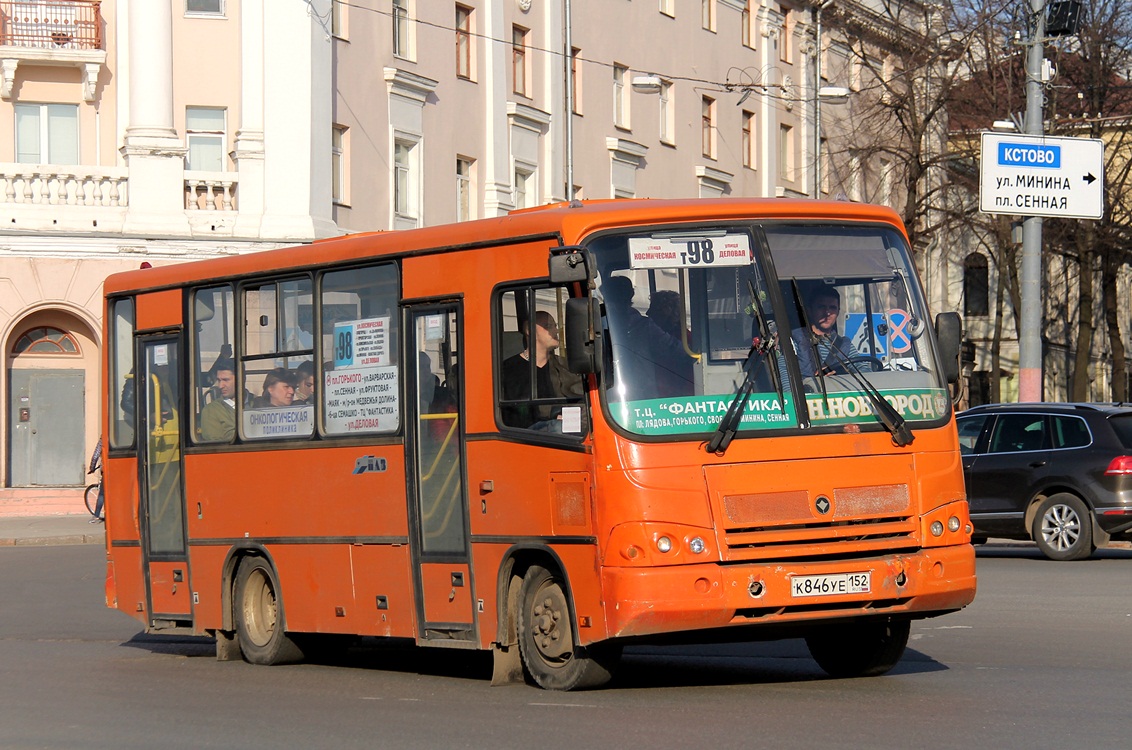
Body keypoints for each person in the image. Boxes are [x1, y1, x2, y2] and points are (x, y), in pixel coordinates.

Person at [603, 276, 694, 399]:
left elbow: (680, 353)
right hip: (645, 393)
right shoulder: (642, 326)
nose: (647, 313)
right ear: (631, 295)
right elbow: (678, 351)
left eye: (653, 308)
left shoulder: (601, 321)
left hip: (658, 396)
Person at [501, 311, 582, 430]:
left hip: (567, 432)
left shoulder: (565, 366)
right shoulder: (508, 369)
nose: (555, 331)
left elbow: (580, 402)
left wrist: (568, 419)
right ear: (530, 331)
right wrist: (552, 418)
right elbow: (510, 415)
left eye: (555, 326)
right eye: (548, 326)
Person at [791, 285, 858, 377]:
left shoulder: (844, 345)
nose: (827, 313)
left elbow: (866, 372)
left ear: (838, 312)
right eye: (821, 307)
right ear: (810, 310)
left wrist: (841, 374)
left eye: (832, 308)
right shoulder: (794, 341)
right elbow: (786, 381)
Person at [200, 358, 254, 441]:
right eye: (219, 380)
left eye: (226, 380)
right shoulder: (211, 411)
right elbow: (215, 447)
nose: (220, 386)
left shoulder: (258, 402)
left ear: (242, 379)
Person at [87, 436, 104, 523]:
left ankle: (96, 515)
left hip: (107, 470)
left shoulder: (104, 438)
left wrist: (92, 467)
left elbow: (96, 455)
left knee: (102, 494)